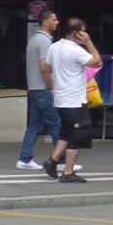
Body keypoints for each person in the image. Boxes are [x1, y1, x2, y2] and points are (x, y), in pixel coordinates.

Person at [42, 18, 101, 184]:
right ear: (78, 33)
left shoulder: (54, 46)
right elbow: (97, 62)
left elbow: (46, 69)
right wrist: (89, 43)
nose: (86, 35)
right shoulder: (76, 50)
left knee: (66, 133)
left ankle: (52, 161)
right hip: (74, 100)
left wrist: (53, 86)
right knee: (78, 135)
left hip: (61, 98)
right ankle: (68, 172)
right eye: (84, 32)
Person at [16, 9, 62, 170]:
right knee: (56, 123)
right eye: (54, 19)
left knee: (35, 125)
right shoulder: (44, 41)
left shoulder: (34, 39)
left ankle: (25, 158)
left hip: (34, 88)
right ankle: (61, 161)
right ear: (45, 22)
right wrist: (53, 86)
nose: (57, 22)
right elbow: (44, 68)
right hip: (43, 89)